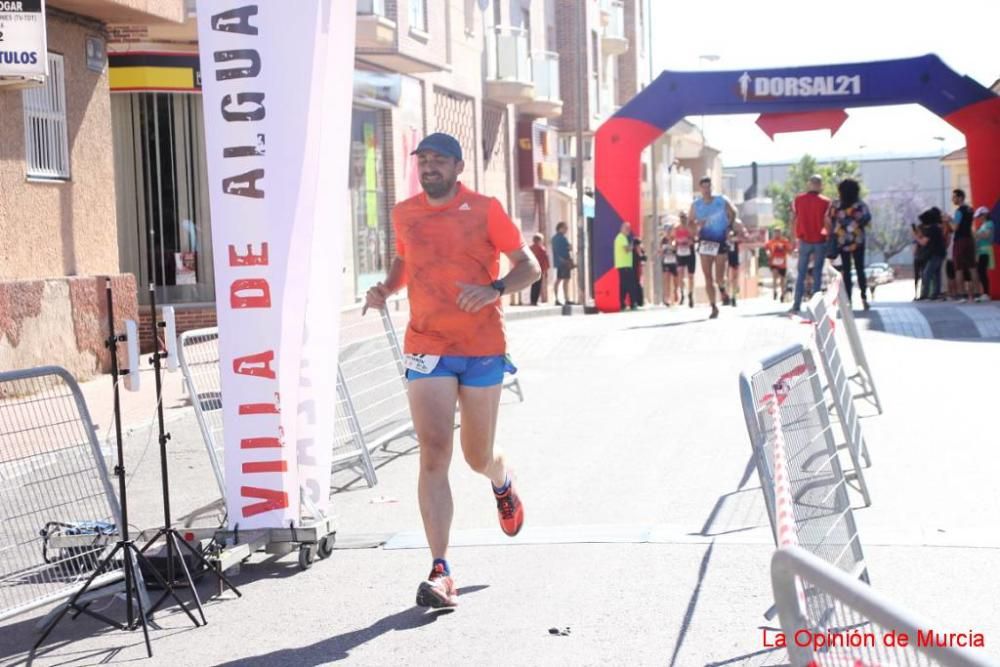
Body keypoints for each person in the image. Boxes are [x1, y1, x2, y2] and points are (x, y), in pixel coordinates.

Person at [364, 132, 540, 609]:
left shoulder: (485, 209)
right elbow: (404, 261)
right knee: (433, 453)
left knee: (476, 456)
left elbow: (530, 267)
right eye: (423, 160)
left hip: (481, 346)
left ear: (459, 167)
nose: (430, 167)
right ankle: (441, 569)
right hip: (427, 345)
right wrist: (385, 288)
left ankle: (501, 481)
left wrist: (495, 288)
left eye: (439, 160)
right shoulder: (405, 213)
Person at [689, 177, 737, 319]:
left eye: (708, 187)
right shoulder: (696, 205)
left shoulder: (721, 200)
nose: (706, 190)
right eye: (703, 187)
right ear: (700, 189)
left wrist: (729, 227)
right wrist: (695, 230)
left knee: (719, 277)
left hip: (720, 240)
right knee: (707, 277)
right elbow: (690, 222)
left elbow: (733, 212)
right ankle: (713, 306)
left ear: (711, 187)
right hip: (705, 242)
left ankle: (722, 289)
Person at [829, 178, 872, 310]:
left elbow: (830, 219)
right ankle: (864, 297)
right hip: (858, 241)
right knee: (860, 269)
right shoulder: (860, 205)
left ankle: (848, 300)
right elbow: (867, 219)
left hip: (842, 241)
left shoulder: (836, 205)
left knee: (846, 271)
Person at [790, 175, 830, 313]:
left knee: (801, 274)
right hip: (820, 240)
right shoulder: (825, 202)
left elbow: (793, 219)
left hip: (804, 240)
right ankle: (817, 306)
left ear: (809, 184)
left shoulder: (799, 200)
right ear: (820, 185)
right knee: (817, 273)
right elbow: (827, 222)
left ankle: (796, 304)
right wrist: (830, 238)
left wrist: (792, 239)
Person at [949, 189, 977, 302]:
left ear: (960, 198)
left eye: (954, 197)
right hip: (969, 240)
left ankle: (962, 295)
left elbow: (955, 227)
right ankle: (976, 293)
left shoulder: (959, 211)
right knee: (972, 267)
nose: (953, 199)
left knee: (959, 268)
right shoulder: (970, 210)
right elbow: (967, 225)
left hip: (960, 240)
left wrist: (948, 221)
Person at [915, 206, 947, 300]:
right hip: (939, 253)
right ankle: (935, 293)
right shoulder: (936, 228)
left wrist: (916, 237)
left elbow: (923, 242)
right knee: (936, 274)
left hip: (935, 254)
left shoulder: (932, 229)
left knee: (927, 273)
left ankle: (925, 293)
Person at [723, 218, 749, 307]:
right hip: (724, 255)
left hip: (734, 255)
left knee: (734, 277)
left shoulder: (738, 225)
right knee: (725, 276)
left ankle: (733, 296)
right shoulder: (724, 225)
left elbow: (745, 236)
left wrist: (738, 237)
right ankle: (726, 295)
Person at [674, 212, 697, 308]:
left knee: (691, 275)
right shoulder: (676, 228)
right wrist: (677, 242)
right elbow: (674, 240)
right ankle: (682, 293)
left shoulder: (691, 228)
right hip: (680, 252)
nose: (683, 219)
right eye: (681, 217)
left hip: (690, 252)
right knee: (680, 274)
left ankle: (690, 294)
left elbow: (695, 239)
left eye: (685, 217)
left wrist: (689, 241)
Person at [764, 228, 793, 301]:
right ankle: (774, 291)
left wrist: (789, 251)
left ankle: (782, 294)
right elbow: (766, 248)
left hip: (783, 263)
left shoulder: (784, 241)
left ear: (781, 233)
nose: (777, 234)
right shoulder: (771, 242)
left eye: (778, 232)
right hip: (773, 262)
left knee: (782, 280)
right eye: (776, 232)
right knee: (774, 276)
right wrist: (768, 253)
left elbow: (789, 250)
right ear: (773, 233)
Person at [615, 221, 639, 310]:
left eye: (629, 229)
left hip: (625, 265)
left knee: (624, 285)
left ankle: (623, 303)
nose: (628, 230)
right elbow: (627, 249)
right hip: (624, 265)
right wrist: (633, 244)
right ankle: (632, 303)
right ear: (621, 229)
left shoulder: (623, 238)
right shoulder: (621, 237)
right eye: (626, 228)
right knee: (629, 284)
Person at [973, 206, 994, 302]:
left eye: (980, 216)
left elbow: (987, 235)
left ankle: (986, 293)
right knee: (980, 272)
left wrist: (975, 234)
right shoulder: (982, 225)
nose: (979, 218)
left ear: (985, 214)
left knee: (982, 272)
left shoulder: (989, 223)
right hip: (980, 252)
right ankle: (983, 293)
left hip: (985, 251)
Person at [551, 222, 574, 305]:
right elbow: (567, 248)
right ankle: (565, 299)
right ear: (560, 228)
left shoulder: (554, 238)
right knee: (564, 280)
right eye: (565, 228)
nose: (566, 230)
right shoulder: (562, 238)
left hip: (559, 262)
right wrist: (569, 247)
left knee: (560, 279)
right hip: (564, 262)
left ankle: (559, 298)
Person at [528, 234, 551, 306]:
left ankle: (532, 300)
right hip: (539, 270)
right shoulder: (542, 249)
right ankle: (535, 301)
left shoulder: (530, 248)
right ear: (540, 240)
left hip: (531, 270)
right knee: (537, 285)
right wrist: (546, 271)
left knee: (533, 285)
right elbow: (545, 260)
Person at [659, 225, 679, 306]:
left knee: (675, 280)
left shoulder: (675, 240)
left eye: (670, 231)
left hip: (674, 262)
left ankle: (675, 293)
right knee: (666, 279)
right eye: (667, 231)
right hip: (666, 262)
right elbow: (660, 251)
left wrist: (672, 246)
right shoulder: (663, 240)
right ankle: (666, 298)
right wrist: (661, 251)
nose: (668, 233)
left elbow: (677, 249)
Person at [632, 237, 648, 307]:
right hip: (634, 271)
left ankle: (640, 301)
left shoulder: (640, 251)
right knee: (636, 286)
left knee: (638, 285)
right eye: (638, 245)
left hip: (638, 272)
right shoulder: (633, 253)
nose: (639, 247)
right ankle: (638, 301)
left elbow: (645, 258)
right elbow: (639, 259)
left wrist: (642, 252)